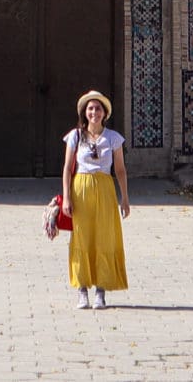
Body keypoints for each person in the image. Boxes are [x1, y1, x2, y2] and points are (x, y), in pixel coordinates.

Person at [60, 90, 128, 310]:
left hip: (105, 189)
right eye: (90, 108)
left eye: (98, 108)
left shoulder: (113, 138)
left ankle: (100, 290)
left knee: (103, 238)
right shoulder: (75, 136)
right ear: (84, 112)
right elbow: (67, 168)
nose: (94, 112)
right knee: (82, 238)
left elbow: (120, 169)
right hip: (81, 188)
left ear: (104, 113)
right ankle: (82, 290)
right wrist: (67, 198)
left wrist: (125, 198)